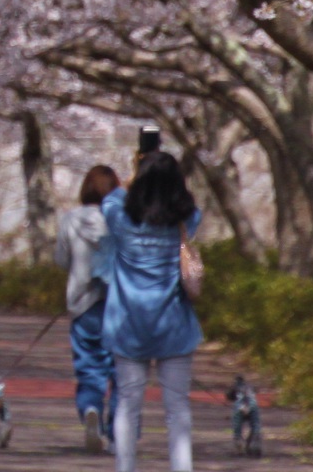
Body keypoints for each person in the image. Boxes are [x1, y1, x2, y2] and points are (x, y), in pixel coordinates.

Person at [101, 150, 203, 472]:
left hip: (128, 324)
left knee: (128, 405)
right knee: (178, 410)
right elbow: (192, 207)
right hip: (173, 326)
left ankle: (125, 467)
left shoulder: (119, 216)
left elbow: (111, 198)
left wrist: (133, 174)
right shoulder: (186, 219)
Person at [57, 164, 122, 454]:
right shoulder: (121, 219)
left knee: (89, 367)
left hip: (84, 304)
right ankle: (119, 432)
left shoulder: (69, 219)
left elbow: (61, 259)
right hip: (121, 304)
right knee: (122, 370)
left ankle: (91, 409)